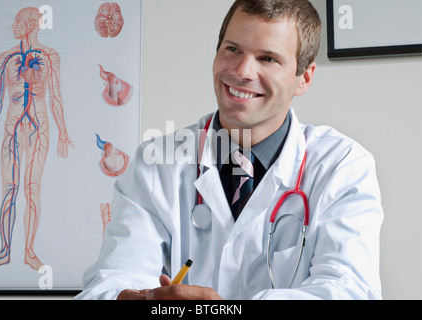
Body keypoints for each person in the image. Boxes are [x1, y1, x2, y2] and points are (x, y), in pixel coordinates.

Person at [76, 0, 383, 300]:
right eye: (233, 49)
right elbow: (110, 281)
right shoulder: (156, 163)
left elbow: (349, 290)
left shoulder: (342, 166)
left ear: (303, 77)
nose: (242, 70)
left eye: (267, 58)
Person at [0, 7, 74, 272]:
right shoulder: (4, 58)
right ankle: (4, 251)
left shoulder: (49, 56)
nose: (14, 25)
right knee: (9, 189)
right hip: (12, 126)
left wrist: (64, 131)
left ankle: (29, 251)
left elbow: (56, 96)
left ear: (33, 24)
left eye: (20, 21)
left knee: (32, 188)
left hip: (39, 126)